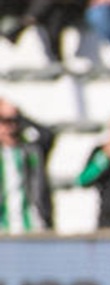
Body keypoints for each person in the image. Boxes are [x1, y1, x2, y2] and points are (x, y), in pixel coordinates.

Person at [0, 96, 55, 234]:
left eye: (14, 121)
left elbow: (48, 135)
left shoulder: (32, 152)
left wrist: (19, 115)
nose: (10, 127)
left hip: (32, 226)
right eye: (4, 121)